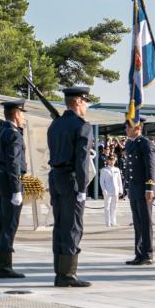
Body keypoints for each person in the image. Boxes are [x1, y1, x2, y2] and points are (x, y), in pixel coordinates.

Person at [47, 86, 93, 287]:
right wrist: (82, 188)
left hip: (55, 177)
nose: (86, 106)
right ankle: (68, 274)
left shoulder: (55, 125)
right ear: (78, 101)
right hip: (71, 179)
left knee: (59, 225)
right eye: (85, 102)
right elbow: (82, 160)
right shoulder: (82, 126)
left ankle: (60, 271)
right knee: (73, 226)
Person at [0, 98, 28, 279]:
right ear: (17, 114)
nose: (23, 119)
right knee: (10, 224)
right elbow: (14, 163)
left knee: (1, 223)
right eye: (22, 115)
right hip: (9, 182)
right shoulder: (14, 135)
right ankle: (4, 267)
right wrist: (17, 188)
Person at [124, 118, 155, 266]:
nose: (126, 130)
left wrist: (150, 187)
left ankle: (147, 254)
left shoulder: (145, 143)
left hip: (144, 188)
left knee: (145, 222)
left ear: (137, 129)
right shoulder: (130, 143)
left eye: (128, 127)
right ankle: (139, 253)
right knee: (137, 222)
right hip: (134, 188)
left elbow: (150, 166)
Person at [99, 155, 123, 227]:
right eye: (110, 160)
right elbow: (102, 182)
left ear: (115, 161)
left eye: (113, 160)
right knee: (107, 207)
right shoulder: (104, 170)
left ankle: (113, 221)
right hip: (108, 190)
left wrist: (120, 190)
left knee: (114, 206)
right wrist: (104, 190)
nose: (112, 161)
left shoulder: (117, 169)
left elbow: (119, 180)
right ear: (107, 161)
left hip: (115, 190)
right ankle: (108, 222)